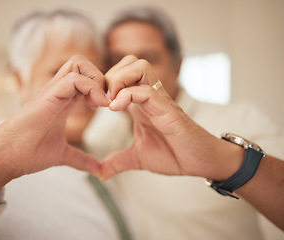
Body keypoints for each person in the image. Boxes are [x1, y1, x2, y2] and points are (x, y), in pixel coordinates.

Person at [0, 9, 135, 240]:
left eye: (93, 72)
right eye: (59, 72)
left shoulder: (105, 150)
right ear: (20, 80)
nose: (84, 86)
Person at [104, 7, 284, 240]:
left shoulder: (242, 120)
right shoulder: (103, 136)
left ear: (177, 65)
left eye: (148, 58)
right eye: (116, 60)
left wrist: (223, 159)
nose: (130, 71)